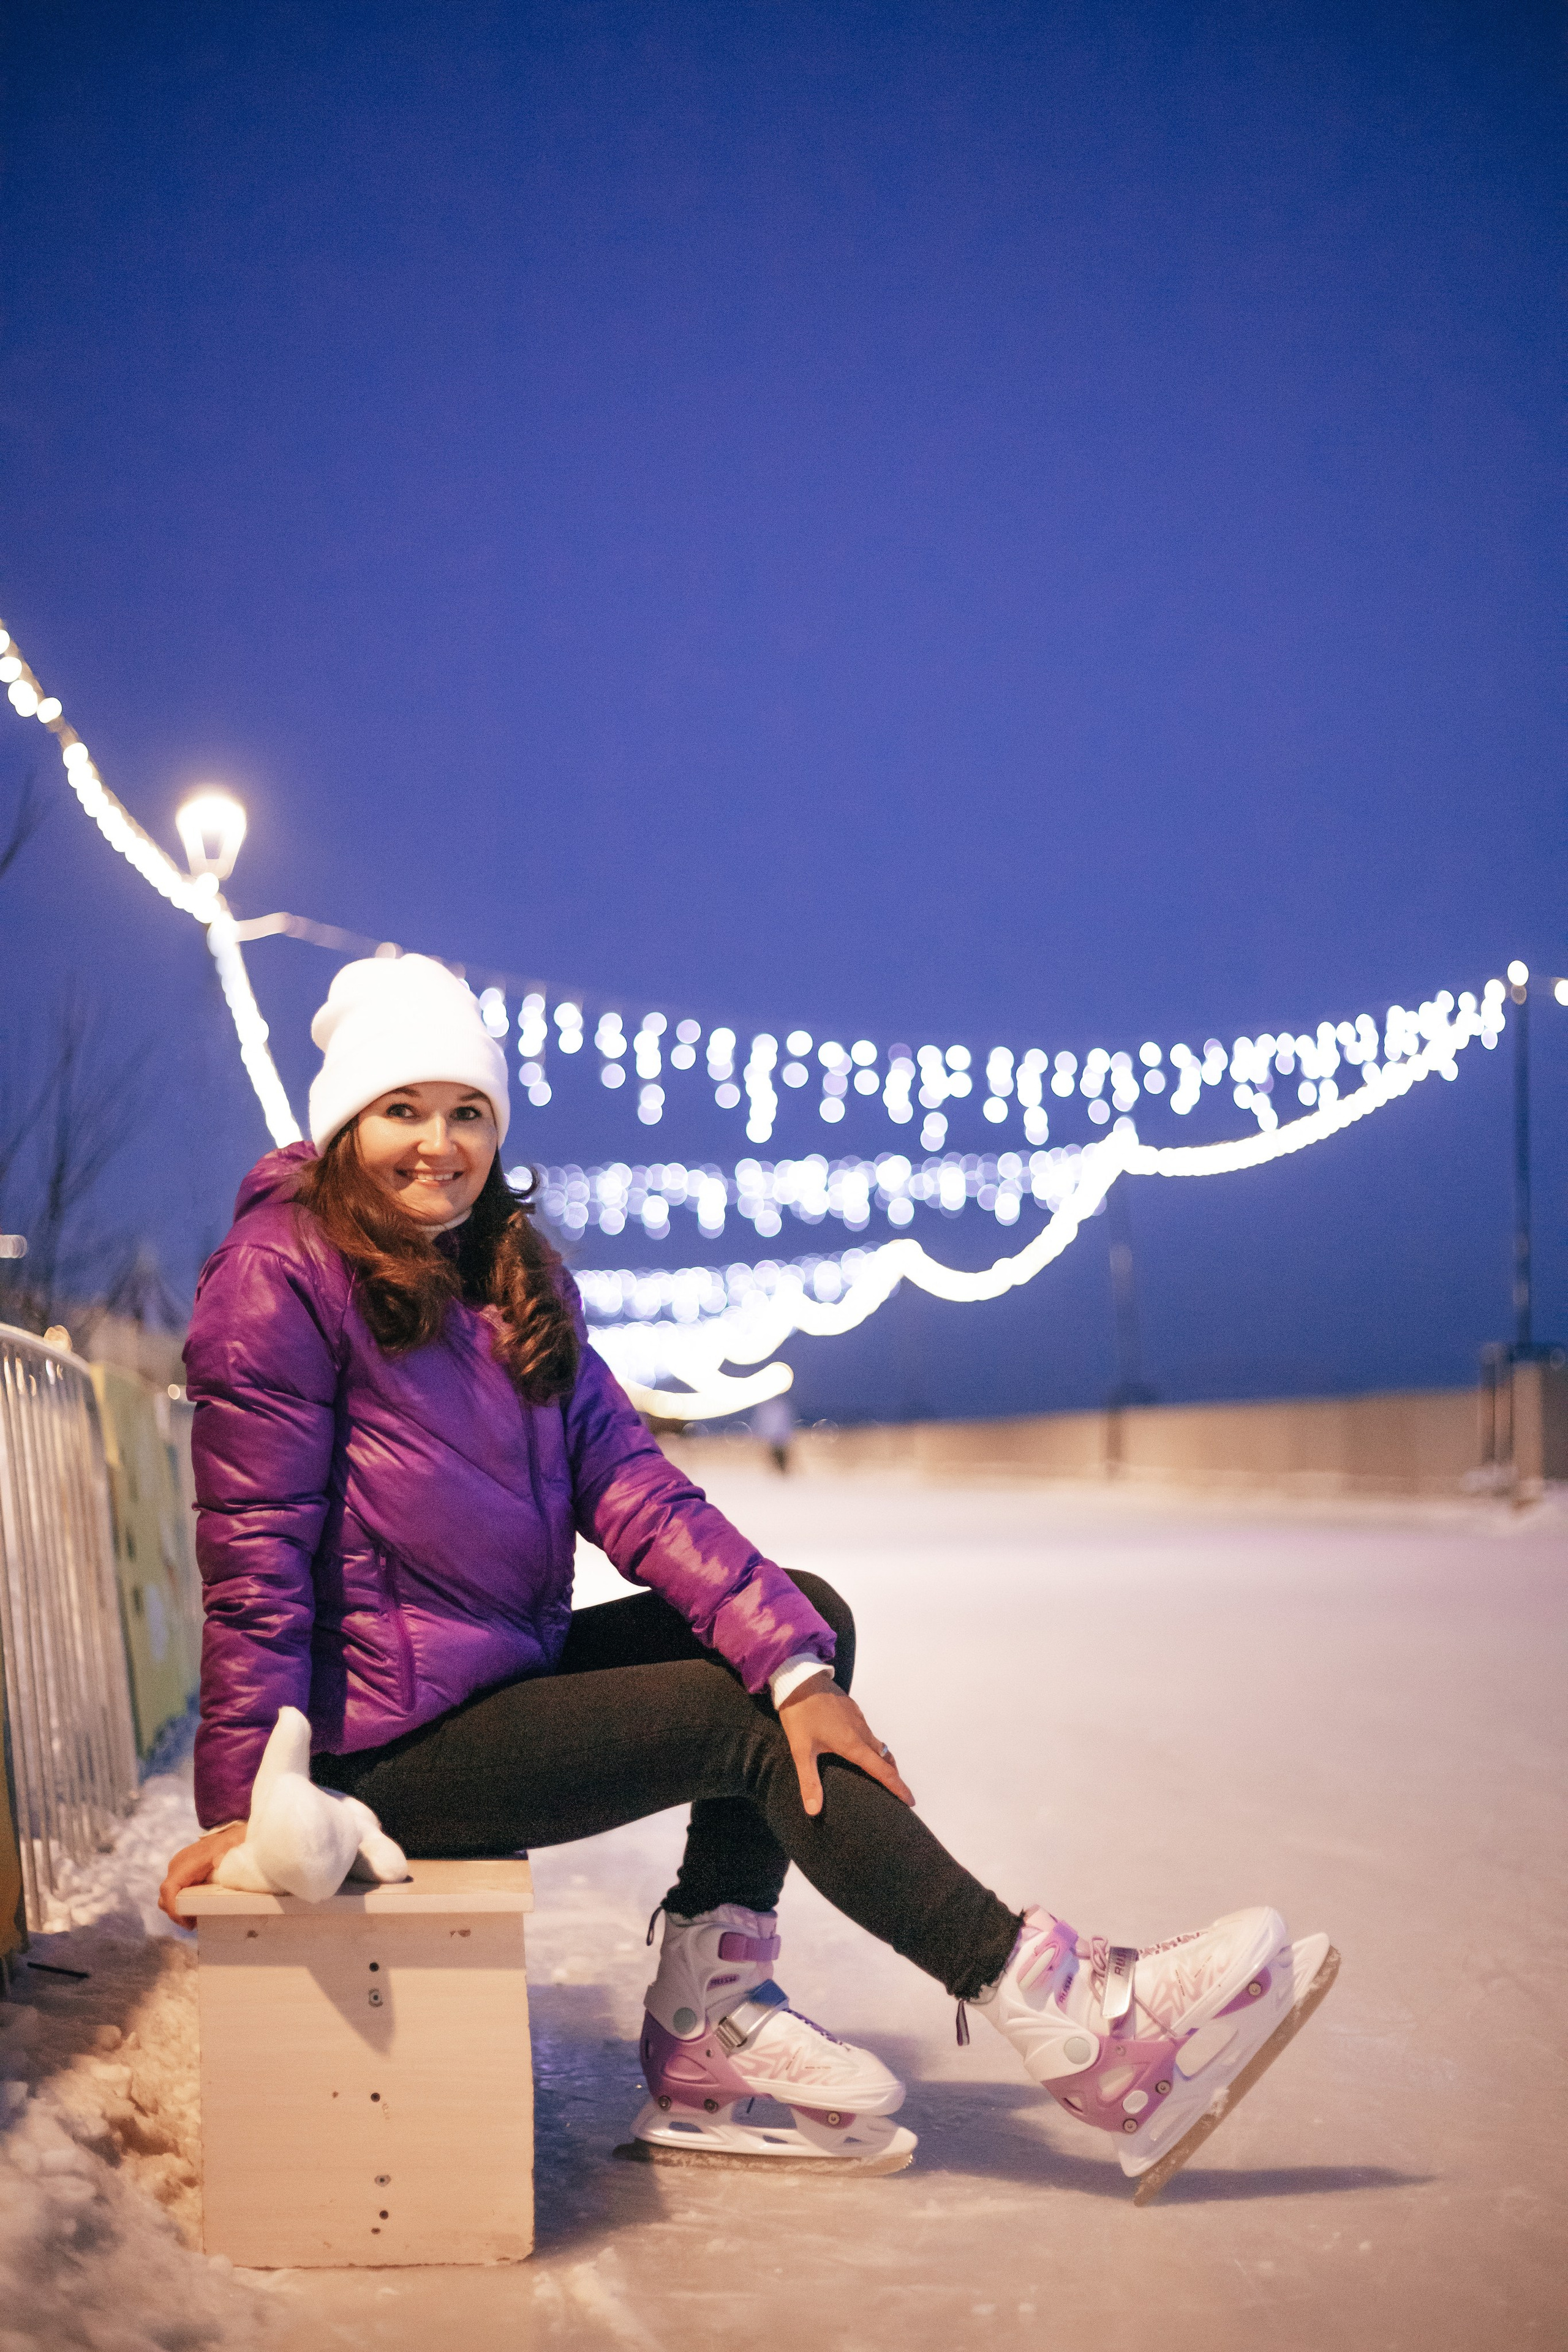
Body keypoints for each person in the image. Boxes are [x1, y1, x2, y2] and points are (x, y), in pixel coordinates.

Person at [159, 955, 1335, 2192]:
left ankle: (707, 2021)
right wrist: (245, 1810)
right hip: (377, 1747)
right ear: (346, 1121)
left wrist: (790, 1660)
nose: (437, 1145)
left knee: (800, 1627)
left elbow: (637, 1491)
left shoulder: (507, 1274)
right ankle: (1069, 2013)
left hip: (494, 1677)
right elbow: (256, 1557)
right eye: (402, 1109)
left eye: (467, 1113)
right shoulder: (279, 1277)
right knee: (738, 1721)